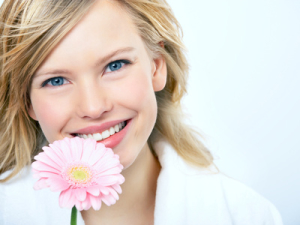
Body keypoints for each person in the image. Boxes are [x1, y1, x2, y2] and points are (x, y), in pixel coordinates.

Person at [0, 0, 283, 224]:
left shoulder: (247, 215)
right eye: (56, 81)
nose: (93, 107)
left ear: (157, 67)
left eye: (115, 65)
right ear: (27, 102)